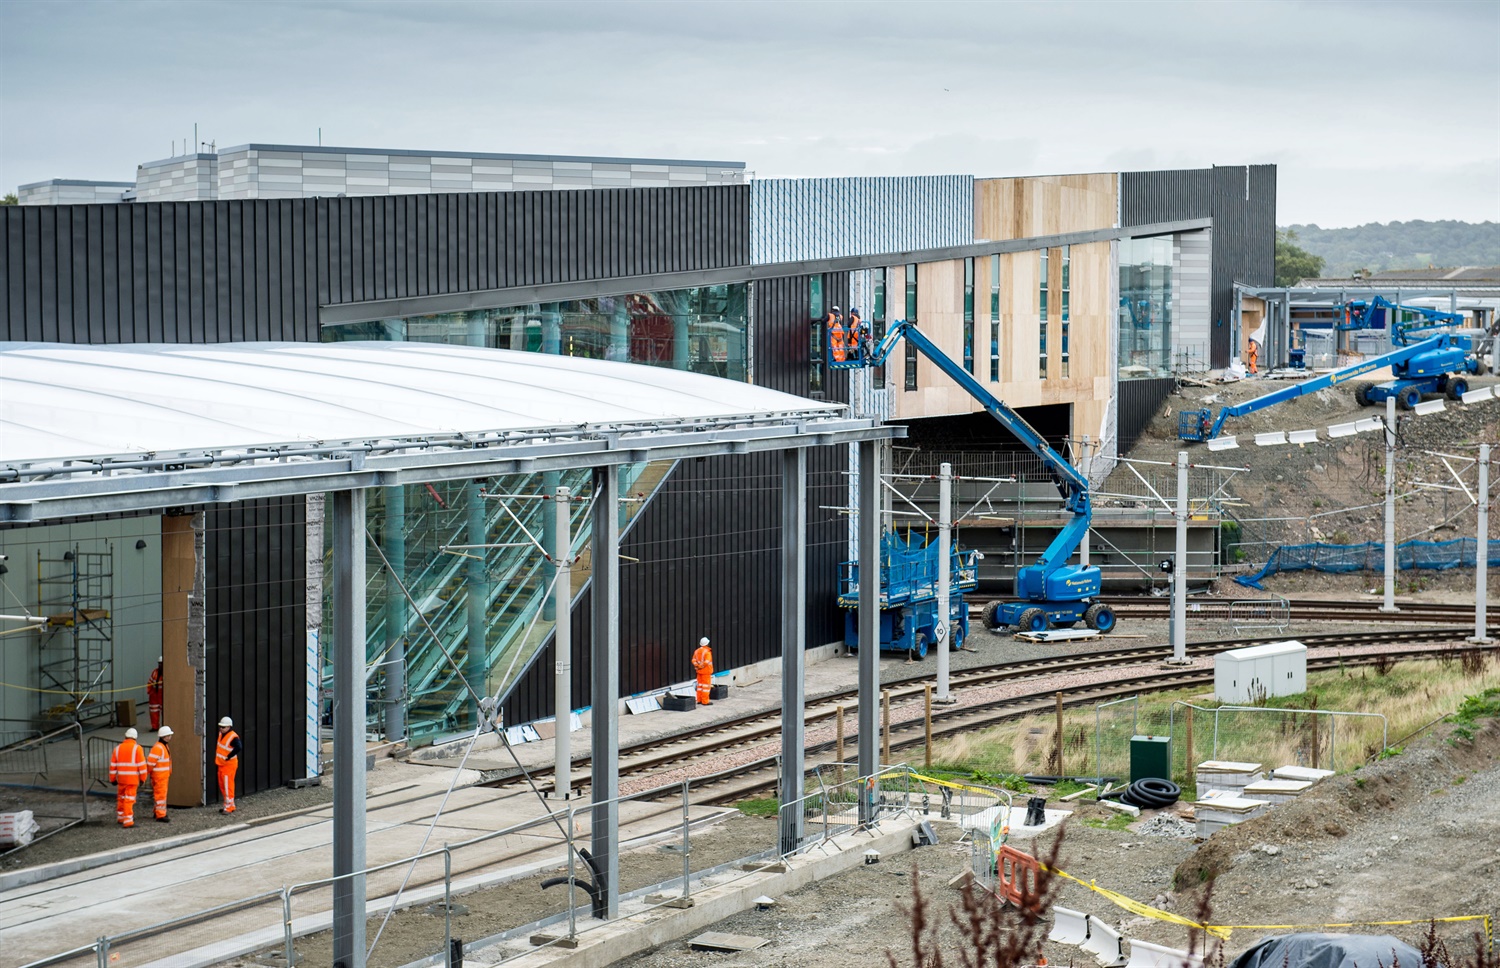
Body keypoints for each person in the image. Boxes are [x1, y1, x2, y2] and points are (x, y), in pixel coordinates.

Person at [107, 727, 148, 828]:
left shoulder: (117, 749)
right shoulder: (137, 748)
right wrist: (143, 778)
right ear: (135, 738)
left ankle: (121, 818)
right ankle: (128, 821)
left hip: (121, 779)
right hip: (132, 780)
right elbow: (142, 766)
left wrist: (112, 778)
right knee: (129, 800)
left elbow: (113, 766)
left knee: (121, 798)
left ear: (125, 737)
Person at [147, 726, 173, 823]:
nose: (169, 737)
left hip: (161, 775)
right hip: (160, 776)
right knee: (161, 796)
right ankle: (160, 815)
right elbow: (150, 763)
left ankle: (157, 812)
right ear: (163, 736)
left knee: (159, 795)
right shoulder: (159, 747)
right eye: (167, 736)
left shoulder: (162, 746)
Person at [215, 716, 241, 814]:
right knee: (223, 786)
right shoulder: (222, 734)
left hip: (228, 765)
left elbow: (239, 747)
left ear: (229, 727)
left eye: (223, 727)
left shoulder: (233, 737)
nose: (221, 728)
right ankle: (228, 805)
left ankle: (229, 807)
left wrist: (229, 756)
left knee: (227, 786)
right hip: (221, 764)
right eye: (220, 727)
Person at [691, 636, 714, 706]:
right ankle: (705, 701)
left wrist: (697, 666)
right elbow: (706, 662)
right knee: (706, 687)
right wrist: (701, 666)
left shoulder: (697, 651)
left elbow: (693, 660)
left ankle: (699, 700)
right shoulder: (707, 652)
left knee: (700, 686)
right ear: (707, 644)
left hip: (699, 672)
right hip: (706, 672)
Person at [146, 657, 164, 731]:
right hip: (154, 697)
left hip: (163, 697)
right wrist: (150, 692)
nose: (160, 665)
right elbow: (150, 683)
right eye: (159, 663)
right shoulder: (155, 672)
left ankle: (165, 727)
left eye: (161, 663)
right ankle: (155, 727)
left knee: (165, 712)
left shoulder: (167, 673)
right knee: (154, 712)